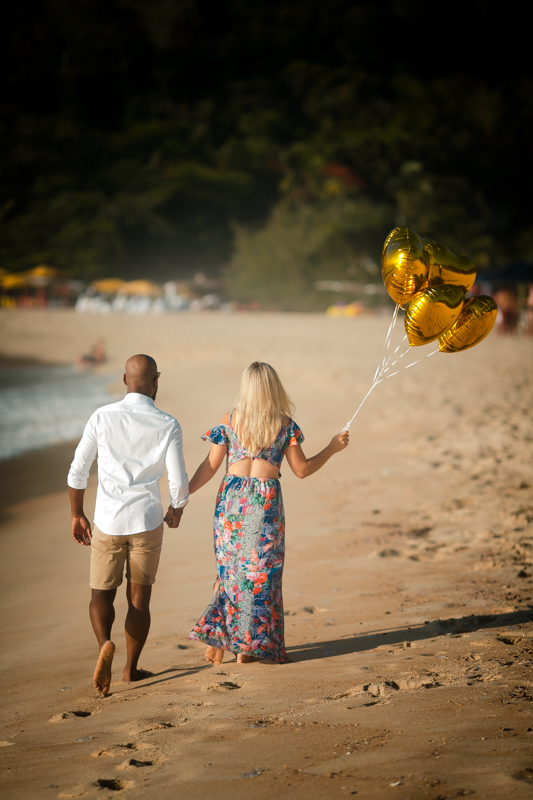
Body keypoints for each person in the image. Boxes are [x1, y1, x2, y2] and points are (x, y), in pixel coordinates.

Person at [188, 362, 349, 666]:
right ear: (274, 389)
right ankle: (246, 648)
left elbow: (209, 467)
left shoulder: (230, 420)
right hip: (264, 503)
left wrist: (182, 493)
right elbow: (301, 470)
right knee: (262, 575)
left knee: (232, 571)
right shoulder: (284, 425)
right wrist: (330, 448)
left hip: (232, 501)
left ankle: (225, 634)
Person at [67, 354, 188, 696]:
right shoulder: (168, 423)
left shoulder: (102, 417)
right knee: (139, 600)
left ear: (124, 380)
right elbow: (177, 479)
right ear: (156, 382)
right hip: (147, 520)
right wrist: (176, 508)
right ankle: (131, 670)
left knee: (101, 594)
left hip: (108, 520)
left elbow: (78, 471)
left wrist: (77, 514)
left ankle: (105, 642)